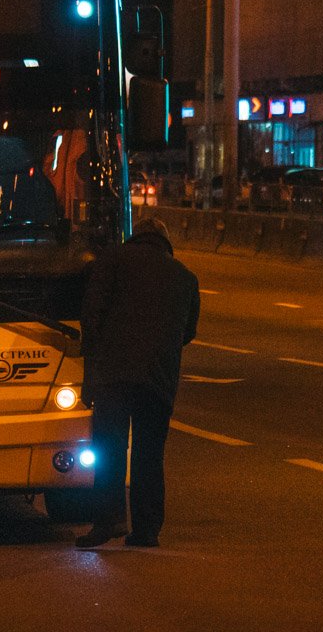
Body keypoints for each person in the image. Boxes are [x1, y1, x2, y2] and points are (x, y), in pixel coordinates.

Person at [75, 216, 199, 548]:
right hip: (159, 378)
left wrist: (92, 363)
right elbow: (188, 332)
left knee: (110, 448)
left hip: (114, 373)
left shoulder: (113, 260)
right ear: (165, 242)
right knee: (149, 454)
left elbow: (92, 314)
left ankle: (109, 520)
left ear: (135, 236)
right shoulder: (186, 277)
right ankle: (147, 530)